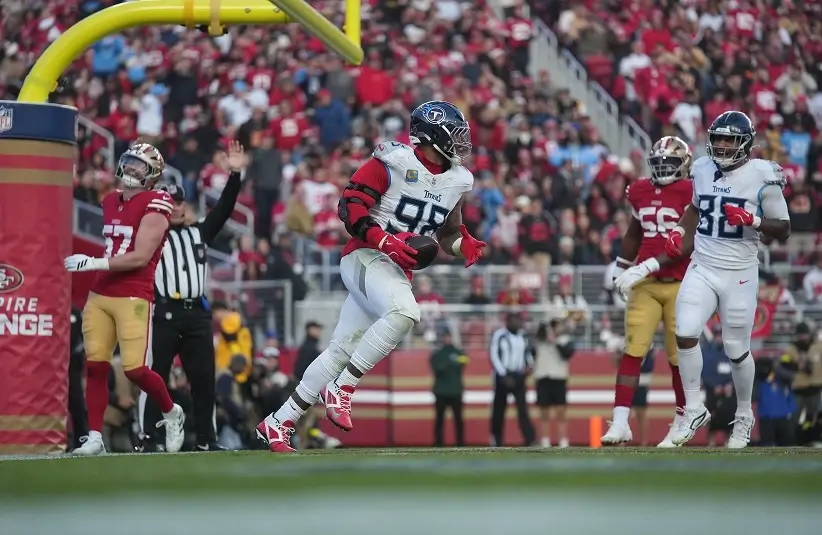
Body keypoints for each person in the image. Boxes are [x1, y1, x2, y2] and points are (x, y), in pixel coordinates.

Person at [256, 101, 486, 452]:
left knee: (339, 351)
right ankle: (343, 387)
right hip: (365, 255)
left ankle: (279, 422)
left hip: (394, 268)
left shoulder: (458, 179)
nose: (462, 143)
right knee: (406, 313)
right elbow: (349, 206)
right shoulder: (393, 160)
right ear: (432, 134)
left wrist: (460, 246)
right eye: (455, 135)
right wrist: (383, 240)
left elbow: (446, 232)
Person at [665, 111, 791, 448]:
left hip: (739, 273)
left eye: (729, 139)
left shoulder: (763, 175)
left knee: (736, 350)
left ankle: (744, 417)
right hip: (703, 265)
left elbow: (784, 229)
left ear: (746, 144)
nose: (721, 145)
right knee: (685, 331)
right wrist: (680, 229)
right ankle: (693, 408)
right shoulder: (703, 168)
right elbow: (695, 206)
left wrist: (754, 220)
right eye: (718, 138)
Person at [64, 142, 186, 455]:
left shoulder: (158, 202)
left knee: (134, 370)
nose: (132, 169)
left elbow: (140, 256)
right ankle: (94, 437)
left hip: (133, 293)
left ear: (153, 174)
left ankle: (172, 412)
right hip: (100, 294)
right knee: (95, 367)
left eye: (140, 166)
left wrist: (94, 263)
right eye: (130, 162)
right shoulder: (109, 200)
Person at [141, 140, 246, 452]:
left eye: (178, 203)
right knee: (155, 377)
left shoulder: (199, 231)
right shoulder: (151, 234)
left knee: (203, 380)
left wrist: (235, 174)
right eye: (167, 202)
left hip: (197, 315)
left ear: (184, 206)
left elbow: (225, 208)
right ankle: (150, 438)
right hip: (164, 313)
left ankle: (206, 439)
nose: (174, 208)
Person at [601, 136, 694, 447]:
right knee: (633, 349)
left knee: (678, 356)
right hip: (646, 284)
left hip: (681, 280)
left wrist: (642, 266)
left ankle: (682, 420)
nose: (663, 169)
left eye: (669, 163)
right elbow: (634, 232)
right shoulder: (639, 189)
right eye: (658, 164)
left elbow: (686, 243)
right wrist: (620, 268)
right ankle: (620, 422)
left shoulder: (691, 191)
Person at [489, 312, 535, 447]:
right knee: (499, 409)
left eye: (518, 320)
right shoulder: (500, 335)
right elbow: (494, 355)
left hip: (519, 375)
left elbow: (527, 353)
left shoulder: (523, 336)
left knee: (522, 409)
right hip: (503, 375)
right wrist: (502, 373)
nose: (516, 323)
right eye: (513, 320)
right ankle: (496, 439)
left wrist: (529, 366)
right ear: (507, 322)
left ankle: (529, 439)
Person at [533, 319, 574, 448]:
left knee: (561, 412)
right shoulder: (540, 340)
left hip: (559, 378)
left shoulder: (565, 340)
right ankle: (545, 440)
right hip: (543, 377)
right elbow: (532, 349)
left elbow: (567, 354)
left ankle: (563, 440)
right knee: (544, 412)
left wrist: (554, 341)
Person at [429, 329, 468, 447]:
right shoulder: (438, 354)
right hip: (441, 391)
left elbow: (464, 361)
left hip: (455, 391)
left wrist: (448, 363)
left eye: (448, 336)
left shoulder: (458, 352)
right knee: (439, 419)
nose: (447, 339)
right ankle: (438, 442)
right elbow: (437, 367)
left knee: (458, 420)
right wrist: (450, 362)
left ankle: (460, 442)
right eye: (444, 337)